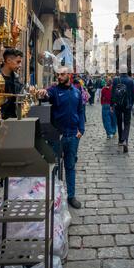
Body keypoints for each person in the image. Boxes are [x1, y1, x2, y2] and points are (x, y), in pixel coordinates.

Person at [38, 67, 85, 209]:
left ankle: (71, 196)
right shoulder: (54, 91)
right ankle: (54, 195)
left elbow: (81, 112)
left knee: (70, 166)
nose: (59, 76)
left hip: (72, 136)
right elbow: (47, 95)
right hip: (57, 135)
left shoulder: (77, 92)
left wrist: (81, 130)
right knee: (55, 167)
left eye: (62, 74)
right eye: (58, 74)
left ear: (69, 75)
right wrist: (43, 92)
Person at [111, 65, 134, 153]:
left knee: (119, 122)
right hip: (127, 105)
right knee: (127, 123)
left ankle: (120, 140)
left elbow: (113, 93)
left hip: (118, 104)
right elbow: (133, 94)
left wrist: (111, 104)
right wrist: (132, 104)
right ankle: (125, 140)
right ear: (127, 71)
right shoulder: (130, 80)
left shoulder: (115, 80)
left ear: (120, 71)